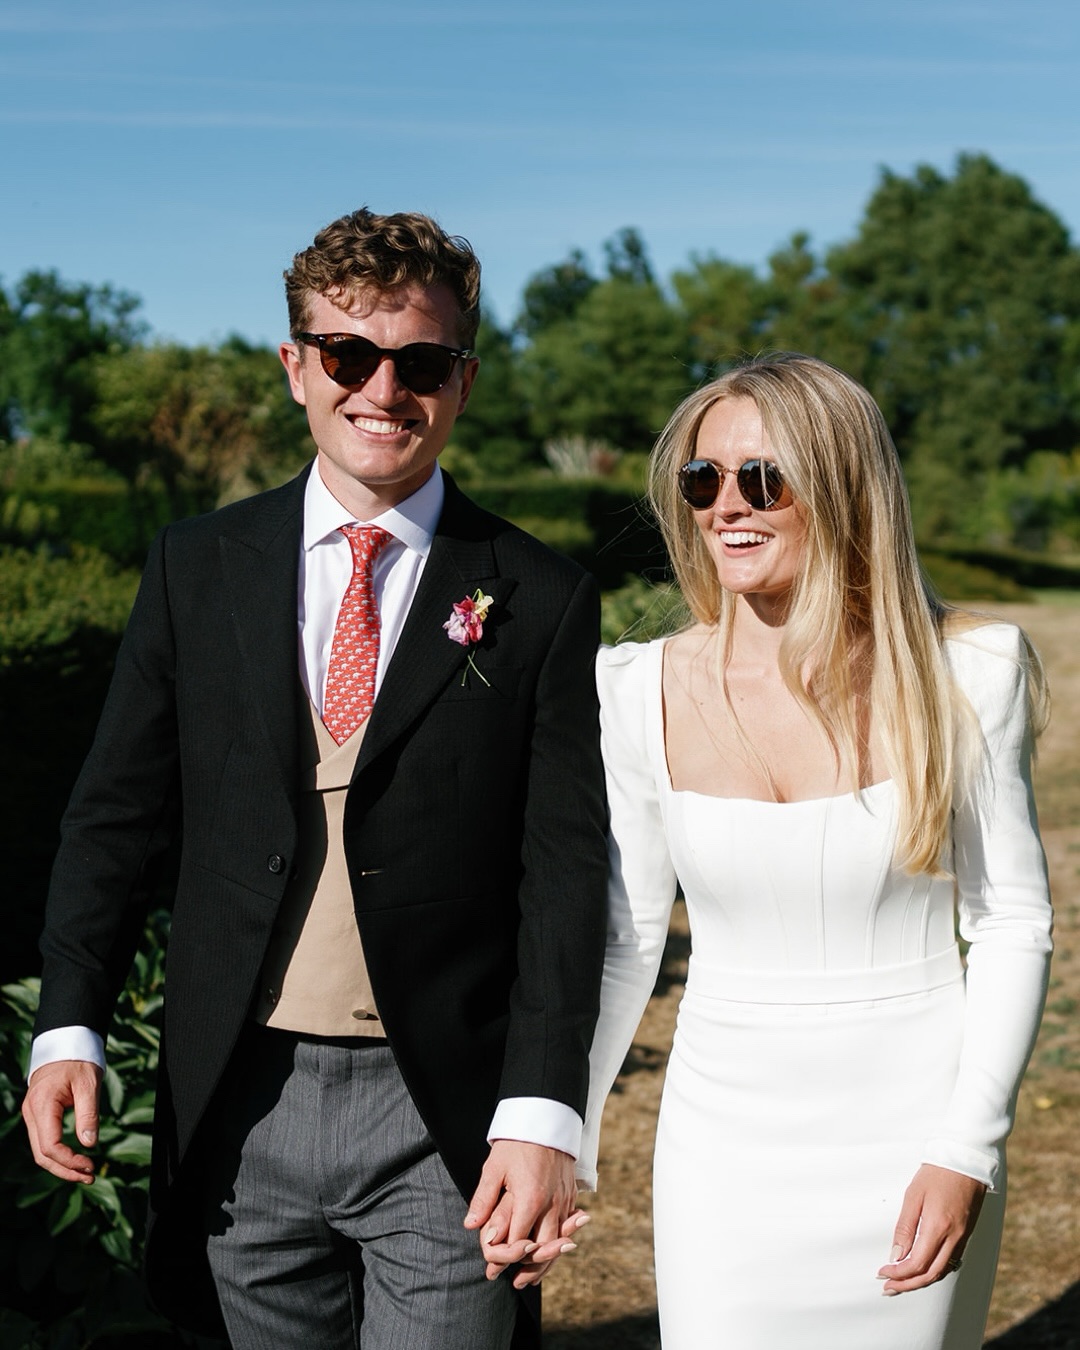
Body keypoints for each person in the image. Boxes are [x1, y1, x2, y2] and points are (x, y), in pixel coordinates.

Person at [21, 208, 609, 1350]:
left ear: (463, 380)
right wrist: (68, 1027)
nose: (383, 388)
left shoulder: (538, 596)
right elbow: (114, 817)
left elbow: (565, 873)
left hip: (444, 1107)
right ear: (297, 368)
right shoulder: (197, 567)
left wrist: (544, 1112)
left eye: (421, 361)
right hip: (239, 1094)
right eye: (350, 355)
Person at [578, 352, 1052, 1349]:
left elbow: (1010, 920)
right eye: (703, 480)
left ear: (842, 488)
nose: (726, 507)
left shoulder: (969, 674)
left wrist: (967, 1149)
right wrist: (564, 1130)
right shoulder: (635, 689)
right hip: (721, 1146)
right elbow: (627, 932)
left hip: (914, 1131)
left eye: (764, 477)